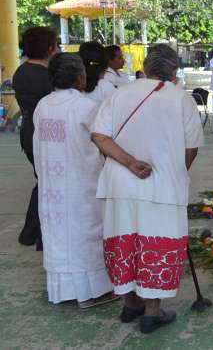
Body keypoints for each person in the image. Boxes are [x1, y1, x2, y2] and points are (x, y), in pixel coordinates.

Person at [90, 44, 204, 334]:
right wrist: (173, 173)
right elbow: (191, 148)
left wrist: (128, 163)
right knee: (157, 243)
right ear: (174, 69)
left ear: (147, 65)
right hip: (162, 187)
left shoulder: (120, 93)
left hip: (119, 184)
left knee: (124, 241)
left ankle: (130, 304)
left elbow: (99, 135)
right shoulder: (180, 99)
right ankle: (151, 312)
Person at [33, 53, 119, 309]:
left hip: (52, 186)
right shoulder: (85, 106)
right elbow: (104, 140)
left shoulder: (43, 105)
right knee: (86, 234)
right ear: (80, 78)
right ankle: (91, 293)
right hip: (81, 182)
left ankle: (63, 291)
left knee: (59, 235)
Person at [13, 26, 58, 250]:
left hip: (28, 132)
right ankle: (33, 231)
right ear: (50, 48)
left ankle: (33, 232)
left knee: (43, 180)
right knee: (47, 182)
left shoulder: (20, 73)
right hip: (46, 133)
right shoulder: (48, 76)